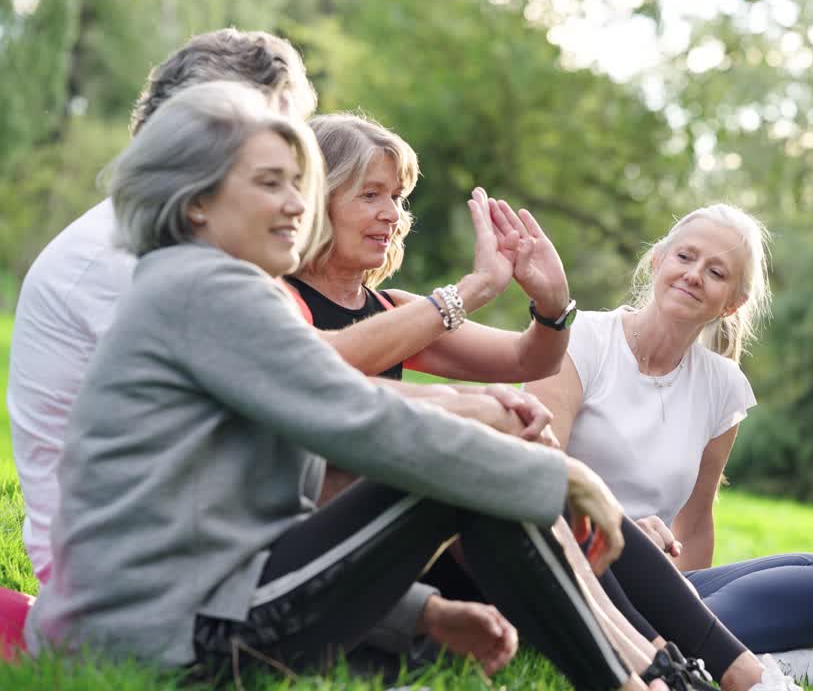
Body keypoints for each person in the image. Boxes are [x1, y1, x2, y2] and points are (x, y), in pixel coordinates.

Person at [23, 81, 650, 691]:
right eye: (270, 184)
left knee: (465, 469)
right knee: (458, 476)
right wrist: (561, 477)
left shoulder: (202, 284)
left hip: (173, 620)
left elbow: (248, 515)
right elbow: (358, 417)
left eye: (298, 184)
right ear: (196, 204)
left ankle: (648, 671)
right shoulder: (205, 289)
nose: (297, 204)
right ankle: (639, 679)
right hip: (171, 637)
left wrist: (423, 614)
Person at [280, 111, 806, 691]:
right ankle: (668, 664)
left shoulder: (391, 308)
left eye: (398, 199)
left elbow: (529, 359)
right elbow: (318, 375)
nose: (392, 214)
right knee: (525, 483)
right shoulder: (280, 305)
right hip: (343, 547)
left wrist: (553, 305)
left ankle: (722, 672)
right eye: (371, 195)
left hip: (418, 543)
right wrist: (473, 301)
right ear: (318, 198)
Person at [7, 28, 315, 588]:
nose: (289, 153)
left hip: (182, 525)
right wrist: (449, 311)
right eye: (271, 127)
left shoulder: (183, 239)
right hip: (123, 568)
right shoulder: (121, 252)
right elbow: (298, 391)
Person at [527, 204, 813, 686]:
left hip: (649, 580)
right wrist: (620, 530)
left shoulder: (723, 386)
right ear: (658, 260)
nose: (694, 274)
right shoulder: (578, 340)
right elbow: (535, 471)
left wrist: (671, 591)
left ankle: (689, 644)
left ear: (732, 304)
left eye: (716, 272)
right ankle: (730, 657)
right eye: (685, 256)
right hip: (570, 554)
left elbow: (696, 521)